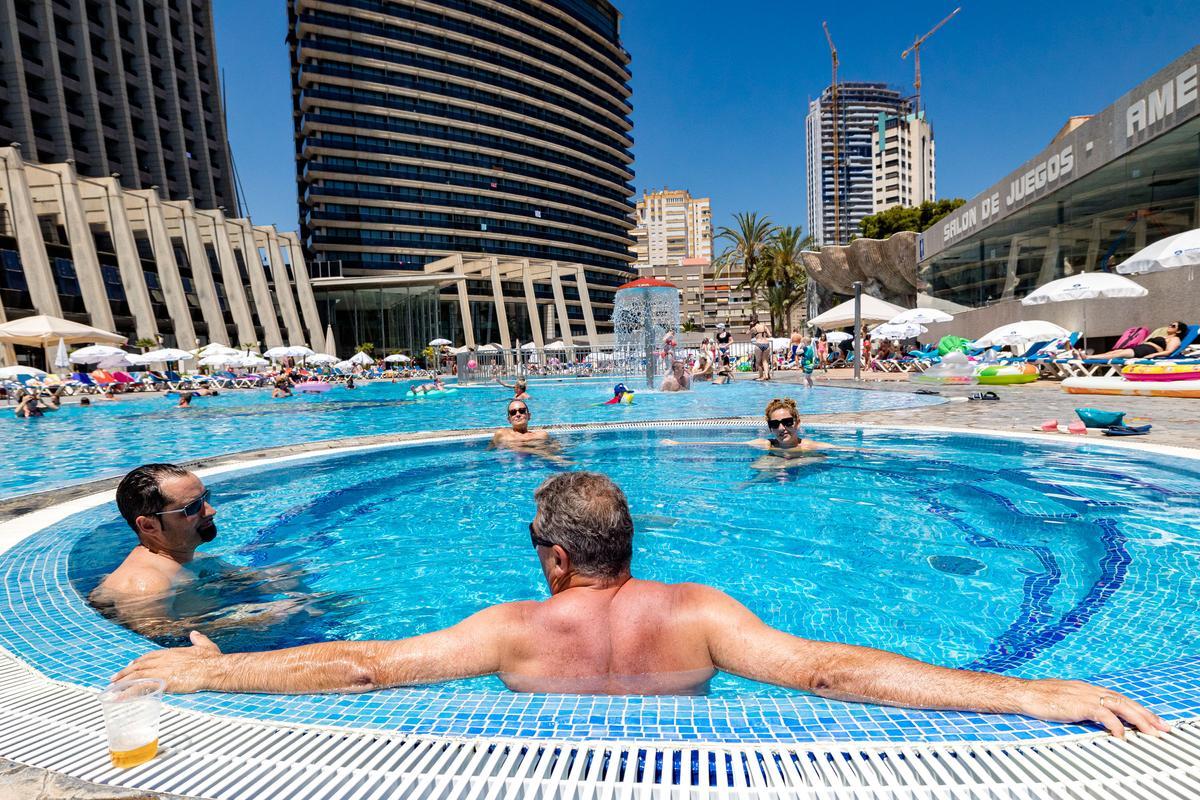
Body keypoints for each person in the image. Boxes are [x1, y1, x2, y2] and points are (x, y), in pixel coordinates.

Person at [114, 471, 1167, 738]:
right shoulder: (698, 612)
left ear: (556, 555)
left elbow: (359, 667)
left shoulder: (514, 631)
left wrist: (212, 669)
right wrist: (1027, 692)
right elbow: (833, 671)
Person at [92, 464, 314, 640]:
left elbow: (246, 580)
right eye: (192, 507)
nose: (210, 510)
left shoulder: (191, 558)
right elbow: (160, 636)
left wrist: (287, 583)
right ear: (149, 526)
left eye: (205, 498)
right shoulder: (147, 584)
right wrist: (256, 618)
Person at [489, 399, 568, 463]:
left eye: (522, 411)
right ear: (509, 419)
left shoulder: (542, 435)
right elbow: (489, 452)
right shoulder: (501, 434)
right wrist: (536, 451)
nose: (518, 414)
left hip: (537, 466)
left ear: (529, 416)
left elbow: (559, 451)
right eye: (513, 412)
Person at [1090, 321, 1187, 360]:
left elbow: (1168, 352)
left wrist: (1153, 355)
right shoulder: (1165, 337)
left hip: (1147, 350)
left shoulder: (1175, 339)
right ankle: (1090, 357)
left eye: (1173, 326)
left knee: (1120, 354)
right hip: (1142, 348)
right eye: (1170, 324)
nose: (1169, 326)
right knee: (1116, 351)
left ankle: (1089, 357)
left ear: (1178, 331)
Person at [749, 316, 771, 381]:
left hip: (758, 344)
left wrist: (750, 326)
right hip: (766, 344)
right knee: (765, 361)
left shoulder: (753, 328)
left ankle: (761, 376)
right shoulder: (764, 326)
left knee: (758, 362)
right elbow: (769, 335)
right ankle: (766, 375)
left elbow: (747, 333)